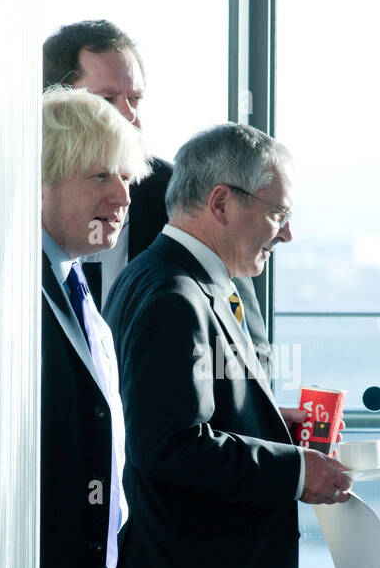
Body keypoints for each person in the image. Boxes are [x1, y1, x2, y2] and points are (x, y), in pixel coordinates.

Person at [103, 123, 352, 568]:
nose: (286, 232)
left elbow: (181, 413)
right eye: (277, 213)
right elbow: (170, 446)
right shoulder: (173, 296)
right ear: (221, 204)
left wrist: (272, 426)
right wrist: (298, 471)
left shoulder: (168, 279)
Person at [42, 20, 271, 368]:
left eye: (134, 99)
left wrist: (254, 416)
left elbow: (244, 339)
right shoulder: (17, 200)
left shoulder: (183, 194)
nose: (129, 116)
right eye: (106, 100)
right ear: (59, 103)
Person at [38, 85, 149, 568]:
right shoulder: (18, 298)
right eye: (101, 175)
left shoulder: (82, 294)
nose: (124, 197)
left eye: (125, 178)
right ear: (45, 179)